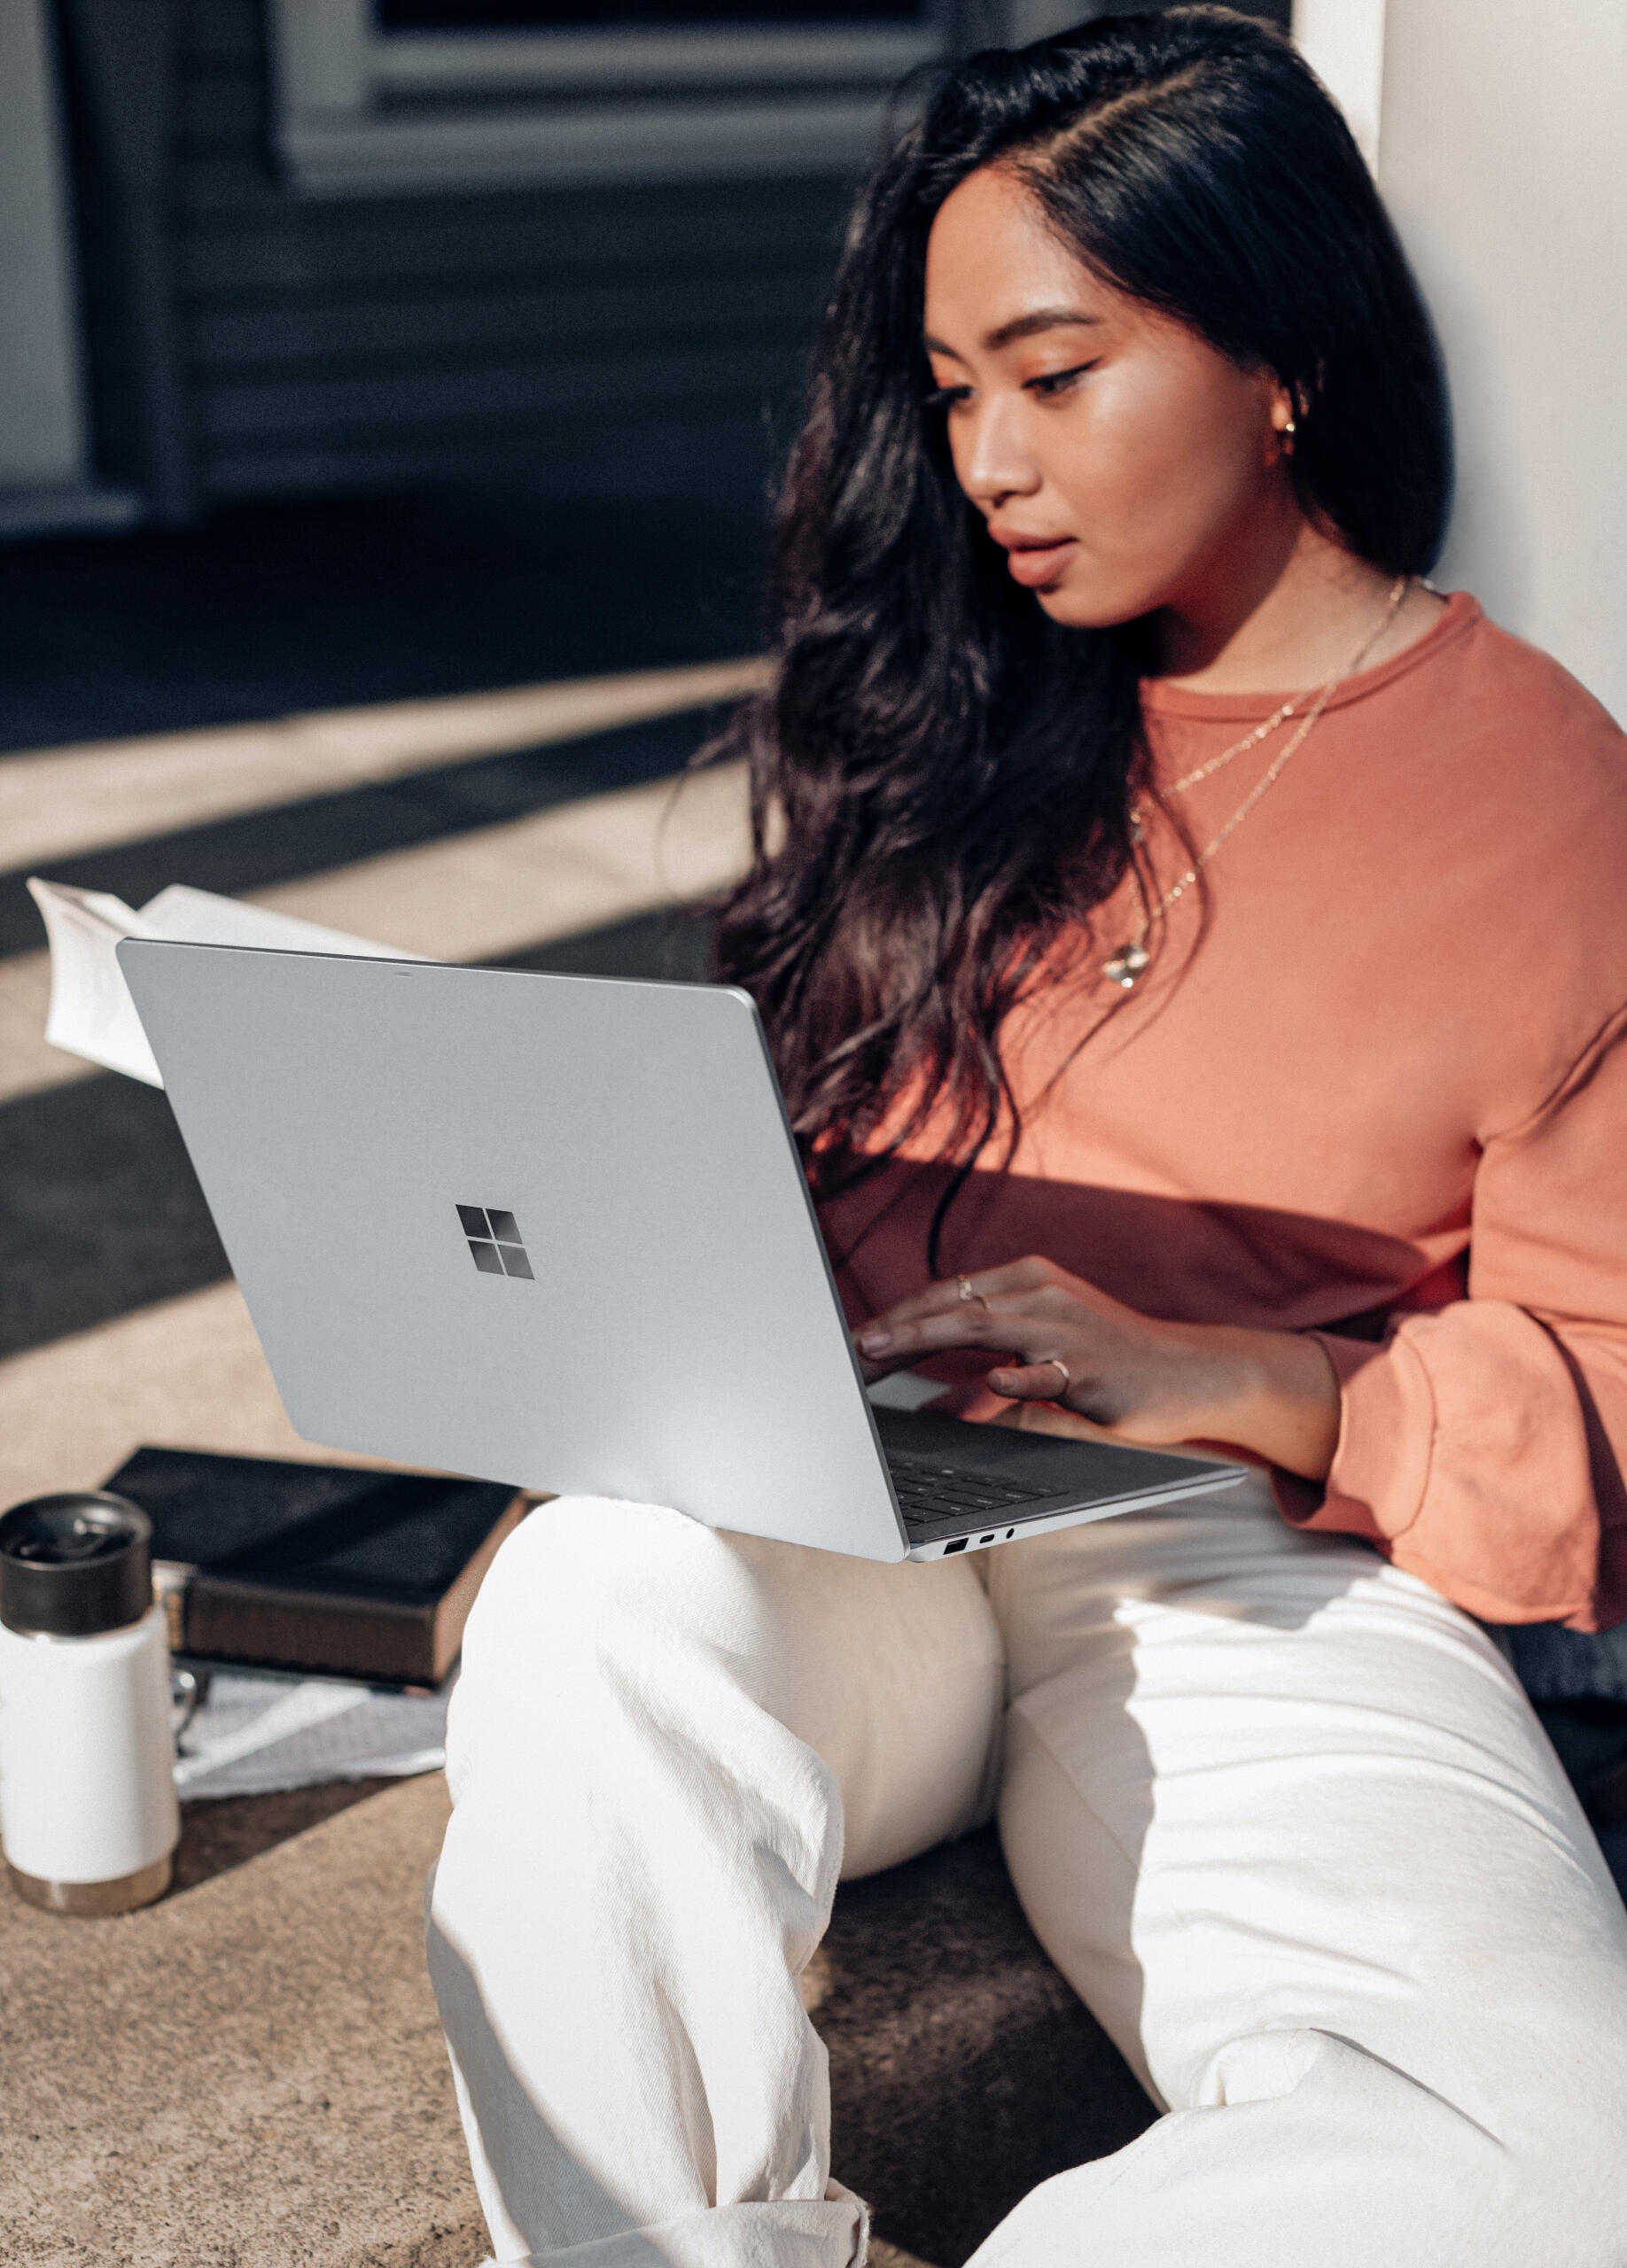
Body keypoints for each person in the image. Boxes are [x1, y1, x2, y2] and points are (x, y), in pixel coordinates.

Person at [426, 12, 1627, 2263]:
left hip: (1250, 1563)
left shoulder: (1556, 804)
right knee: (597, 1581)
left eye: (1053, 374)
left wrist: (1262, 1380)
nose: (986, 458)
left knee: (1566, 2158)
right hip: (849, 1505)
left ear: (1281, 351)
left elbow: (1616, 1389)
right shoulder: (946, 712)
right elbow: (772, 1189)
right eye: (955, 388)